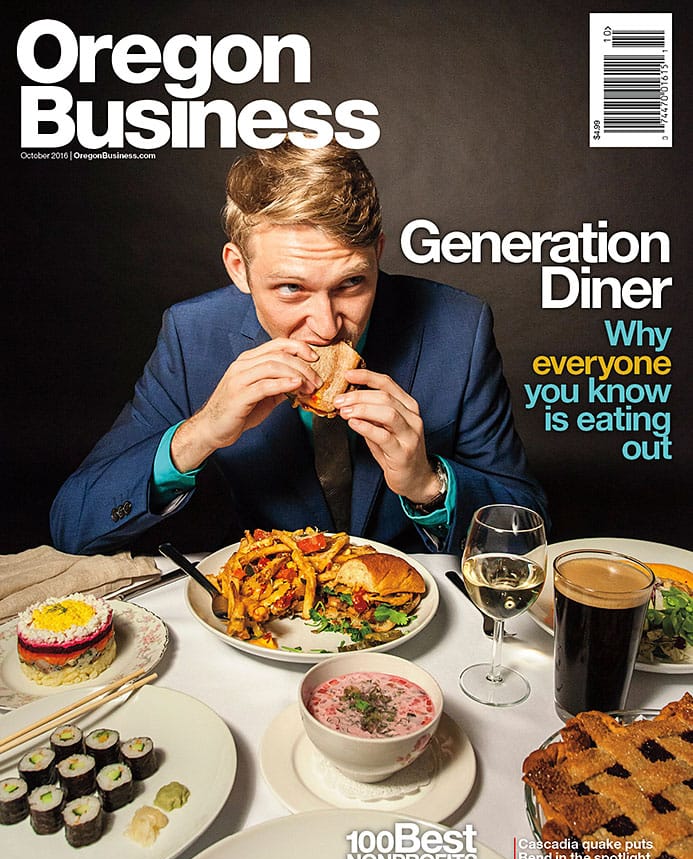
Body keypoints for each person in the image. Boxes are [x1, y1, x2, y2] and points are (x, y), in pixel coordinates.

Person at [50, 141, 547, 556]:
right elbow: (72, 525)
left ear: (377, 253)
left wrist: (428, 484)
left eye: (351, 283)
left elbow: (529, 532)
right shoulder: (192, 335)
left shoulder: (458, 329)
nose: (326, 327)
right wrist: (198, 434)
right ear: (239, 269)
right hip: (263, 604)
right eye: (291, 289)